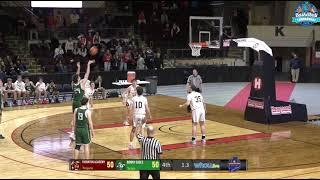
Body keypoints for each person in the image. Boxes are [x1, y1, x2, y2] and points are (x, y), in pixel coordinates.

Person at [70, 60, 94, 141]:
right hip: (80, 103)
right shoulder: (81, 84)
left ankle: (72, 133)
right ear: (78, 79)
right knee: (82, 118)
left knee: (74, 118)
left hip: (74, 102)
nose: (80, 77)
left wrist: (79, 67)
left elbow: (76, 75)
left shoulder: (73, 84)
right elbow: (87, 74)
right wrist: (88, 64)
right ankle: (85, 133)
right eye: (79, 77)